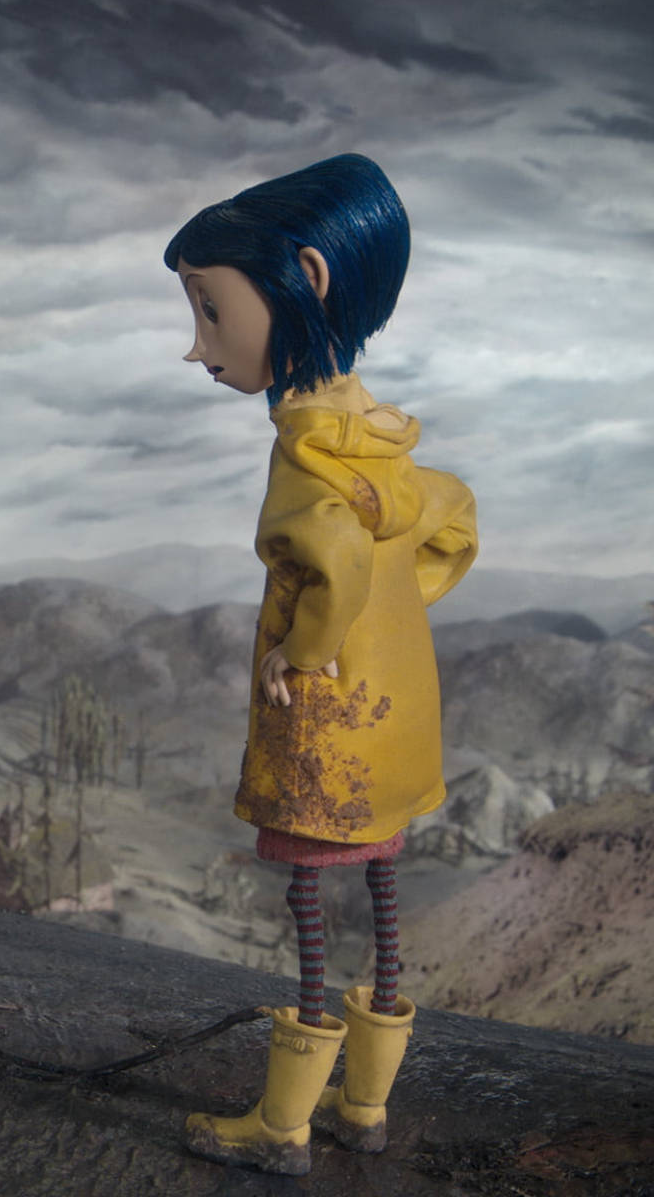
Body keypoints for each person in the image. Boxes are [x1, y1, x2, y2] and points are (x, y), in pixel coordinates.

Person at [164, 153, 477, 1176]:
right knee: (382, 887)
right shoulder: (381, 437)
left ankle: (285, 1124)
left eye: (212, 309)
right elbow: (452, 517)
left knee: (308, 897)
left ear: (306, 278)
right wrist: (397, 609)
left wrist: (304, 651)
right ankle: (367, 1106)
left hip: (330, 718)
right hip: (397, 709)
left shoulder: (306, 444)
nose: (197, 344)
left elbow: (333, 559)